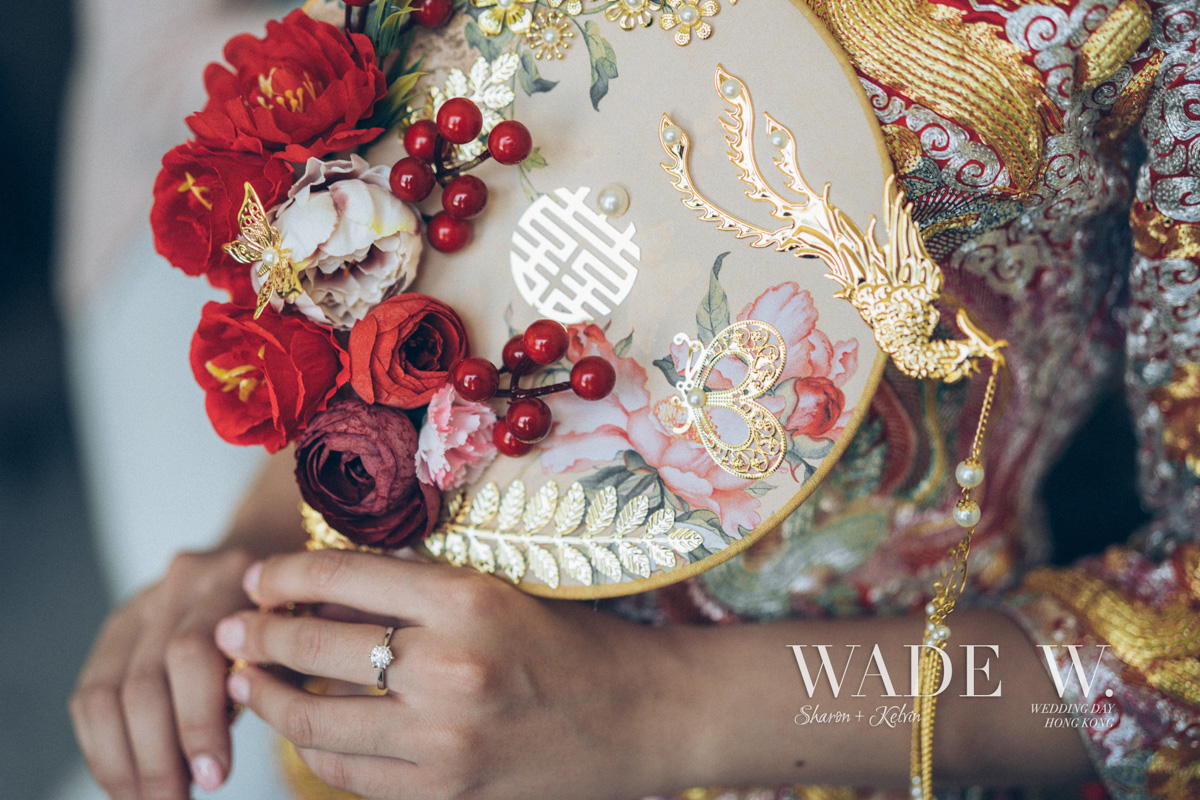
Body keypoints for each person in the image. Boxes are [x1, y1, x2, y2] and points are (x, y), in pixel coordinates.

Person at [69, 1, 1200, 799]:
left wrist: (659, 710)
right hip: (381, 708)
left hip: (855, 740)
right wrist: (271, 536)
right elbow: (436, 217)